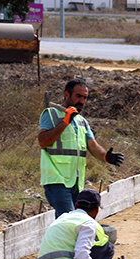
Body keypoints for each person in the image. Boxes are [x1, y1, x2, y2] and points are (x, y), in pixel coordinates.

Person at [39, 79, 124, 218]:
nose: (82, 101)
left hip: (76, 182)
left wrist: (105, 157)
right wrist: (65, 122)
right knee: (69, 221)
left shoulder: (81, 121)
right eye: (78, 96)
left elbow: (93, 146)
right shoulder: (51, 114)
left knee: (72, 221)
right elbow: (43, 141)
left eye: (85, 97)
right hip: (57, 180)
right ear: (67, 95)